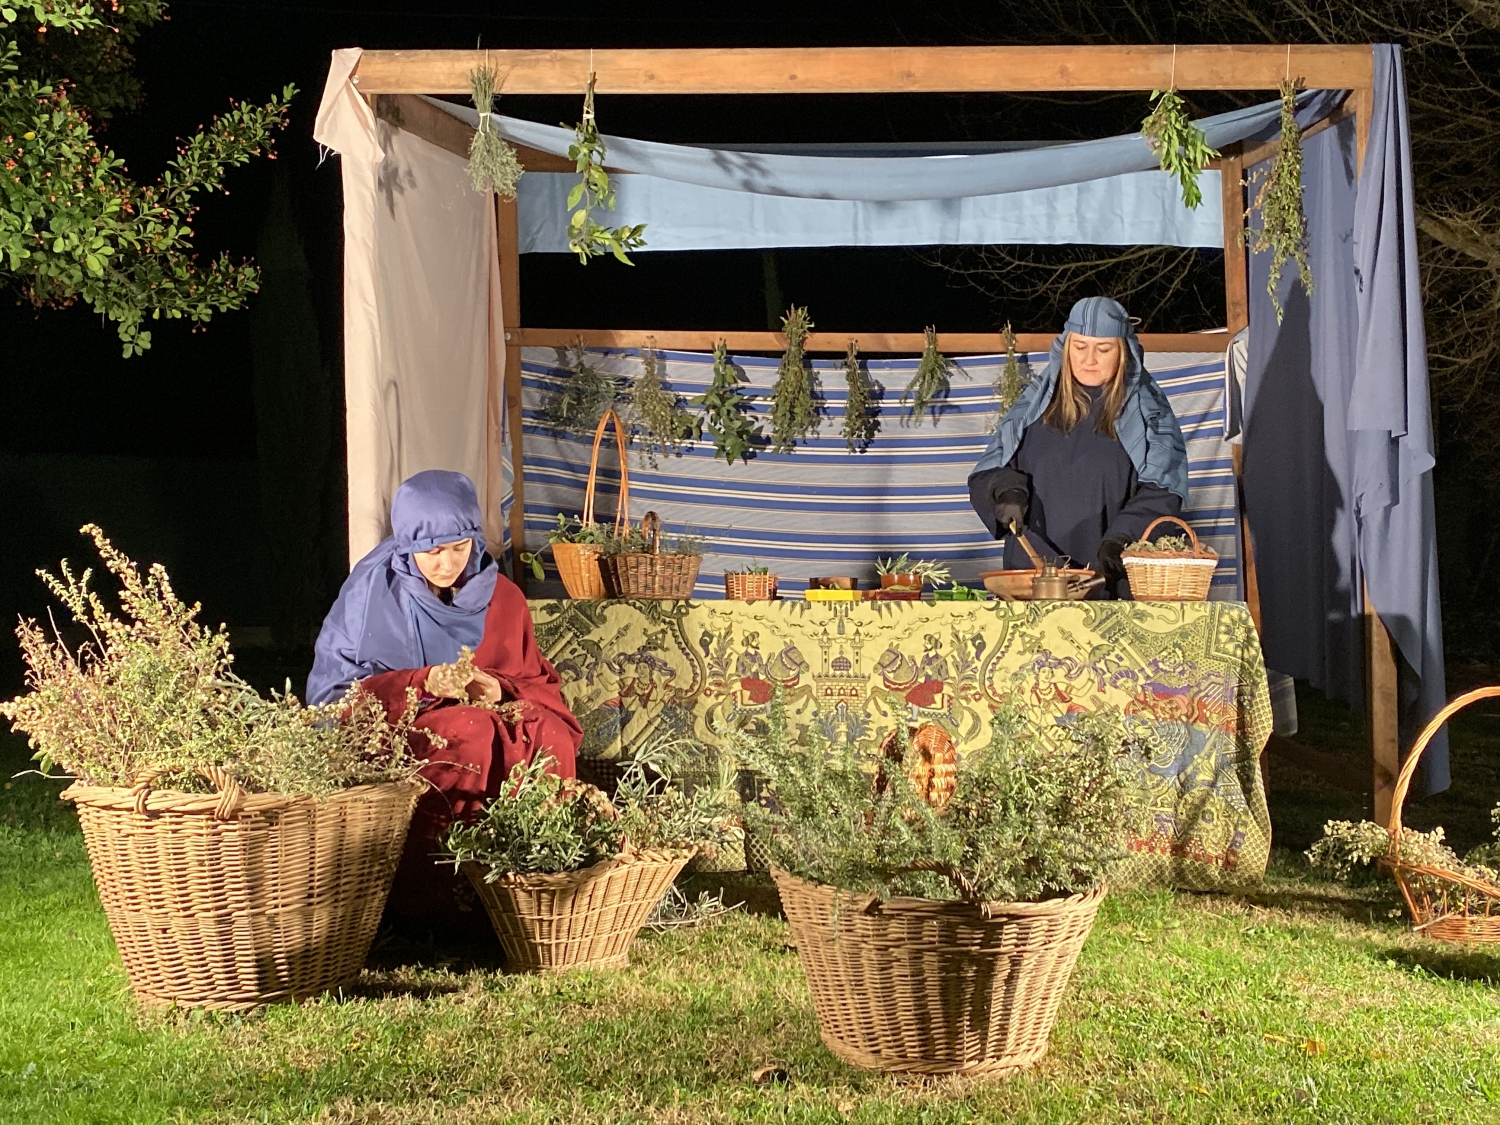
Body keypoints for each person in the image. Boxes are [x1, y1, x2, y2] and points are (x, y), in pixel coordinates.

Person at [307, 469, 582, 923]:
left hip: (491, 715)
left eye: (459, 548)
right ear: (408, 545)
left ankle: (537, 895)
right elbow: (334, 697)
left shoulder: (504, 598)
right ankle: (442, 905)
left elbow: (538, 684)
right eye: (431, 552)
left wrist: (502, 687)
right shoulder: (375, 593)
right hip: (404, 726)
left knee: (547, 731)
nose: (446, 564)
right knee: (467, 731)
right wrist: (424, 682)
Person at [967, 296, 1189, 597]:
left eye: (1103, 348)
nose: (1089, 359)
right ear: (1065, 348)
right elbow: (991, 469)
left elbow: (1164, 490)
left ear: (1124, 352)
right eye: (1080, 347)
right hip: (1032, 579)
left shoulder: (1150, 413)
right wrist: (1005, 489)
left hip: (1106, 578)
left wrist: (1123, 538)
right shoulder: (1035, 406)